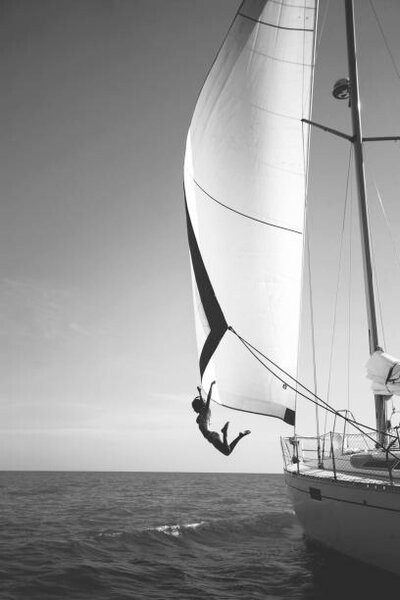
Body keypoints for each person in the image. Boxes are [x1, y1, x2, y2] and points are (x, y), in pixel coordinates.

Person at [192, 381, 251, 456]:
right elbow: (203, 404)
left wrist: (211, 386)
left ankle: (225, 433)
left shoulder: (205, 412)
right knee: (227, 451)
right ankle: (239, 436)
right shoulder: (202, 414)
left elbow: (208, 399)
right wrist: (200, 392)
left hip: (211, 436)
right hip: (212, 436)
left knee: (227, 451)